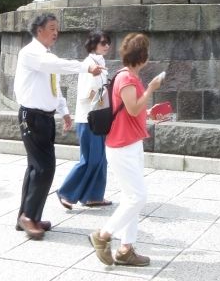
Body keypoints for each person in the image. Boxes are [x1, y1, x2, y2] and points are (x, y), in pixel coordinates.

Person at [14, 13, 103, 240]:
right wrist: (85, 67)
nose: (56, 32)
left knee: (36, 167)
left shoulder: (46, 55)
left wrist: (64, 112)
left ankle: (27, 216)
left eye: (57, 28)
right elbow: (56, 66)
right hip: (31, 117)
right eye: (52, 28)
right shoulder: (31, 53)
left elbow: (54, 85)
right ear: (39, 30)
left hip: (44, 117)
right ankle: (28, 216)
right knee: (44, 168)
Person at [89, 33, 163, 267]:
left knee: (130, 196)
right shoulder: (128, 79)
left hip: (128, 143)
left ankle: (126, 249)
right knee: (138, 197)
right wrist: (151, 89)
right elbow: (132, 108)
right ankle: (103, 235)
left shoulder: (125, 76)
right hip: (123, 146)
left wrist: (149, 113)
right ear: (143, 57)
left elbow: (133, 109)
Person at [57, 29, 112, 209]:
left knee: (101, 158)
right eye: (103, 43)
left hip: (99, 118)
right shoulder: (89, 64)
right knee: (90, 159)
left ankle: (94, 196)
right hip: (88, 118)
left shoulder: (101, 63)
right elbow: (84, 96)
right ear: (93, 44)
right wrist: (101, 91)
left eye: (107, 43)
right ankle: (66, 192)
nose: (107, 46)